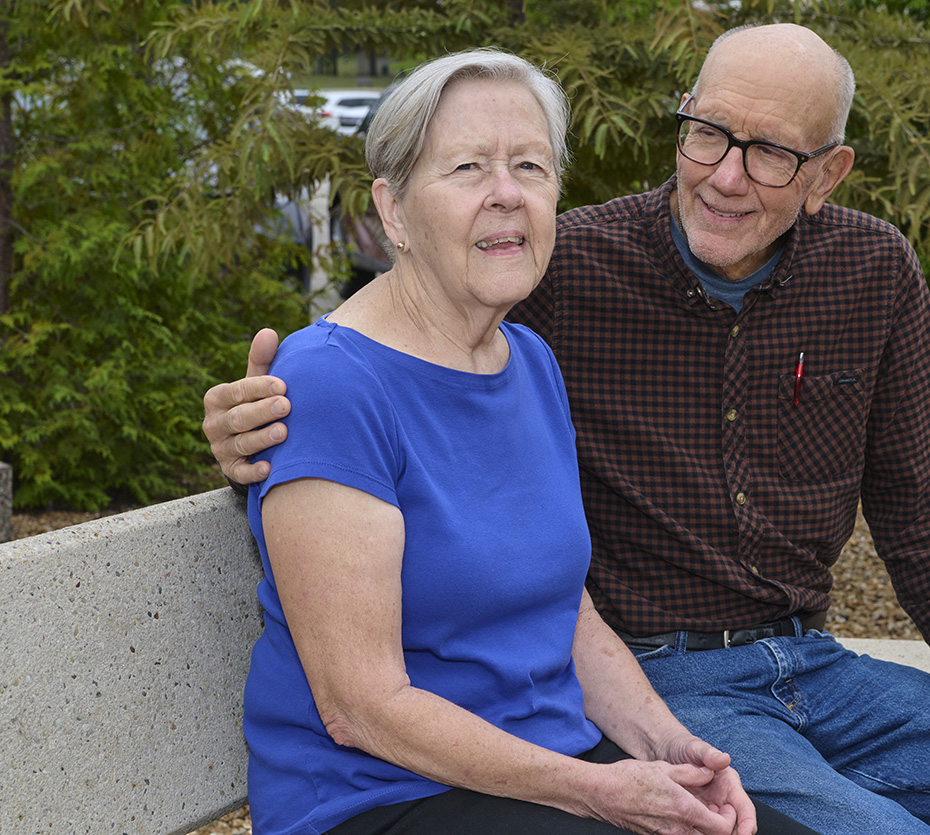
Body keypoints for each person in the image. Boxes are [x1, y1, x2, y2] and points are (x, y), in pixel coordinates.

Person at [206, 25, 930, 835]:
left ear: (826, 174)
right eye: (707, 134)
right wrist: (246, 438)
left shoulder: (528, 347)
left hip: (772, 674)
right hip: (521, 740)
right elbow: (351, 408)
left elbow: (928, 507)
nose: (727, 175)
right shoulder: (540, 277)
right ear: (391, 206)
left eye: (771, 151)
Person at [236, 47, 818, 835]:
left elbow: (565, 614)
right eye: (468, 167)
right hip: (381, 798)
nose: (506, 194)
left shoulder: (528, 360)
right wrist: (599, 791)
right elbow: (360, 707)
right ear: (395, 210)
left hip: (549, 774)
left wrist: (676, 751)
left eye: (531, 167)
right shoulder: (333, 384)